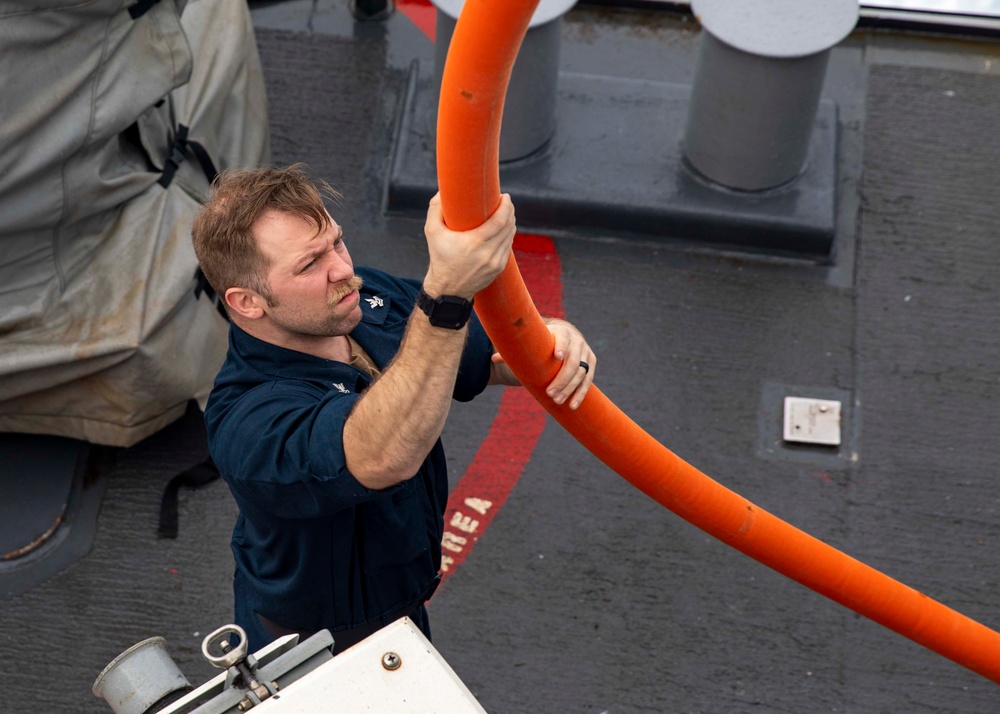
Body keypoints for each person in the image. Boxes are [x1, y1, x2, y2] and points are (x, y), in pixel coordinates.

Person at [191, 164, 597, 654]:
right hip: (315, 652)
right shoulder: (248, 421)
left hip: (402, 611)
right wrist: (447, 294)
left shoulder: (358, 302)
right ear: (248, 302)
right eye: (309, 264)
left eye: (336, 242)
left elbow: (486, 354)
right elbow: (381, 454)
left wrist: (550, 337)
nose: (343, 270)